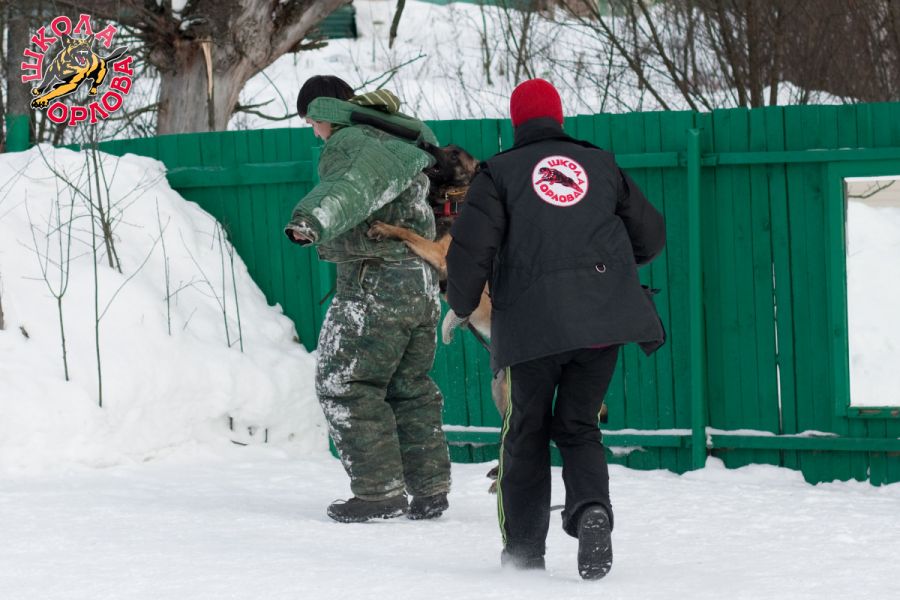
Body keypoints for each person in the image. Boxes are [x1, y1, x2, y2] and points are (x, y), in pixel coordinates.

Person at [443, 79, 665, 579]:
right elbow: (650, 236)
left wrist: (461, 303)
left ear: (516, 122)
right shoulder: (601, 164)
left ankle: (524, 554)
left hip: (532, 328)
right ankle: (591, 511)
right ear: (559, 117)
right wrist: (605, 272)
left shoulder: (499, 173)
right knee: (579, 426)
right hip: (603, 322)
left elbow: (470, 250)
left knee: (525, 430)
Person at [285, 75, 451, 523]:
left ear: (322, 112)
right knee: (409, 387)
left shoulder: (352, 140)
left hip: (376, 282)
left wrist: (311, 220)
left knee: (345, 383)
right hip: (420, 281)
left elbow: (353, 184)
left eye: (310, 122)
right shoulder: (399, 137)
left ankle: (380, 493)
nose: (314, 133)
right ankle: (430, 488)